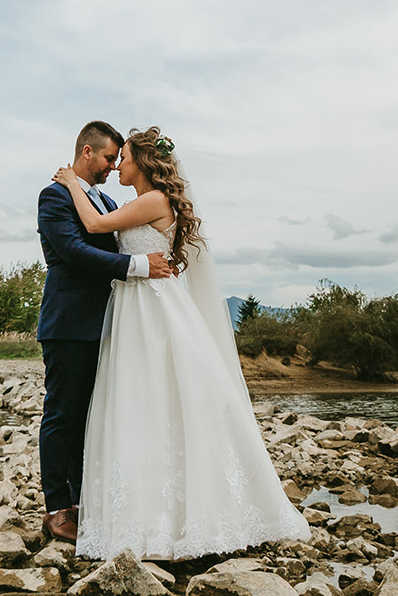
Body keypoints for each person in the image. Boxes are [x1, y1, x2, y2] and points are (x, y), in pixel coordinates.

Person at [52, 126, 309, 559]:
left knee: (160, 398)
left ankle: (175, 519)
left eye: (125, 157)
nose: (118, 164)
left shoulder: (153, 200)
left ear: (144, 163)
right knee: (147, 403)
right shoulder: (138, 202)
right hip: (138, 306)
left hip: (154, 309)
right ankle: (151, 511)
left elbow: (95, 224)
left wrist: (69, 182)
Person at [34, 121, 173, 544]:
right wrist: (139, 267)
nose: (114, 166)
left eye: (120, 159)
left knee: (92, 418)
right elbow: (75, 254)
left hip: (113, 326)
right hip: (70, 323)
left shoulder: (108, 201)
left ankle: (82, 502)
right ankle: (57, 509)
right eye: (110, 157)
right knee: (62, 416)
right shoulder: (54, 196)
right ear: (87, 152)